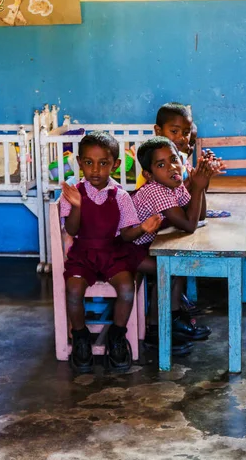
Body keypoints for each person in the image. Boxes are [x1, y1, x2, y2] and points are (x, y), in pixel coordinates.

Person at [60, 131, 162, 374]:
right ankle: (81, 336)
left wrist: (142, 228)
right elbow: (72, 230)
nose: (95, 170)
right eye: (88, 162)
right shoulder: (74, 193)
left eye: (103, 163)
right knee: (73, 290)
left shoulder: (121, 196)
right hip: (83, 254)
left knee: (127, 288)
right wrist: (76, 206)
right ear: (79, 162)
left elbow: (126, 235)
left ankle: (117, 336)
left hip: (113, 253)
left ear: (115, 165)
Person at [133, 136, 219, 345]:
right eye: (161, 164)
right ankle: (156, 330)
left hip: (151, 245)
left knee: (176, 267)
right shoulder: (155, 190)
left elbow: (199, 216)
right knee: (168, 269)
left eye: (174, 159)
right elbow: (189, 225)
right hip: (130, 249)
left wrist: (202, 182)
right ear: (149, 175)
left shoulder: (174, 184)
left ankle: (173, 320)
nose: (171, 167)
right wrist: (197, 188)